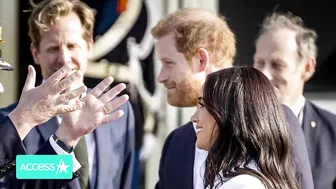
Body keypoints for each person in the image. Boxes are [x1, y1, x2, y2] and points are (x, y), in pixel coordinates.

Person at [151, 8, 313, 189]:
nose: (161, 77)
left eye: (169, 63)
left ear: (201, 60)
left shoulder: (277, 120)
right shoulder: (176, 143)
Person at [0, 0, 135, 189]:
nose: (64, 59)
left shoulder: (119, 112)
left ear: (89, 47)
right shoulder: (12, 123)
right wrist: (65, 139)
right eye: (53, 49)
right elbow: (19, 181)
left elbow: (124, 181)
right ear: (36, 53)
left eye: (72, 46)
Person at [253, 12, 336, 189]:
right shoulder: (231, 127)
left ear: (307, 67)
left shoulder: (332, 132)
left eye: (277, 65)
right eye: (260, 63)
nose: (264, 74)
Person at [191, 66, 299, 189]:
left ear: (231, 112)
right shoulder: (248, 180)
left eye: (202, 105)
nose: (193, 118)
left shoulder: (242, 185)